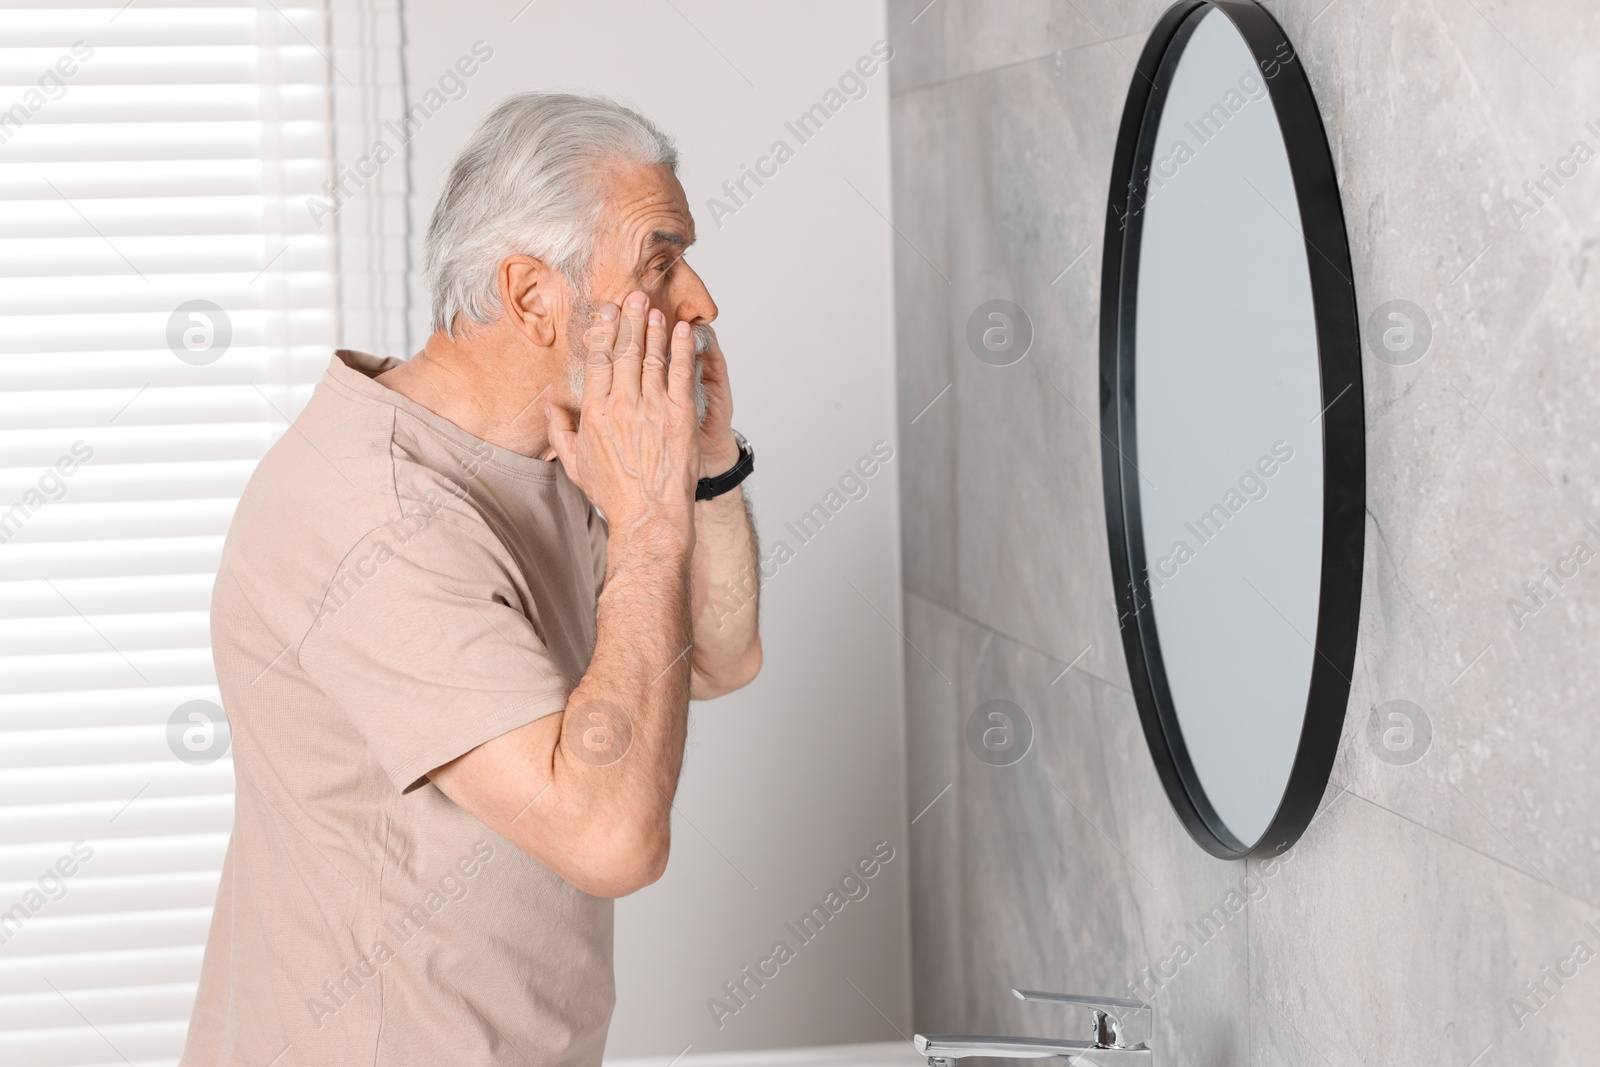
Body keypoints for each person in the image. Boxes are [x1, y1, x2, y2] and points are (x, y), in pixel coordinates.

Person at [179, 91, 762, 1066]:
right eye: (660, 262)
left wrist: (704, 470)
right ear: (533, 297)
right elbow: (610, 838)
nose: (700, 302)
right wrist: (653, 524)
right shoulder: (371, 512)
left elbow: (720, 651)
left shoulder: (559, 449)